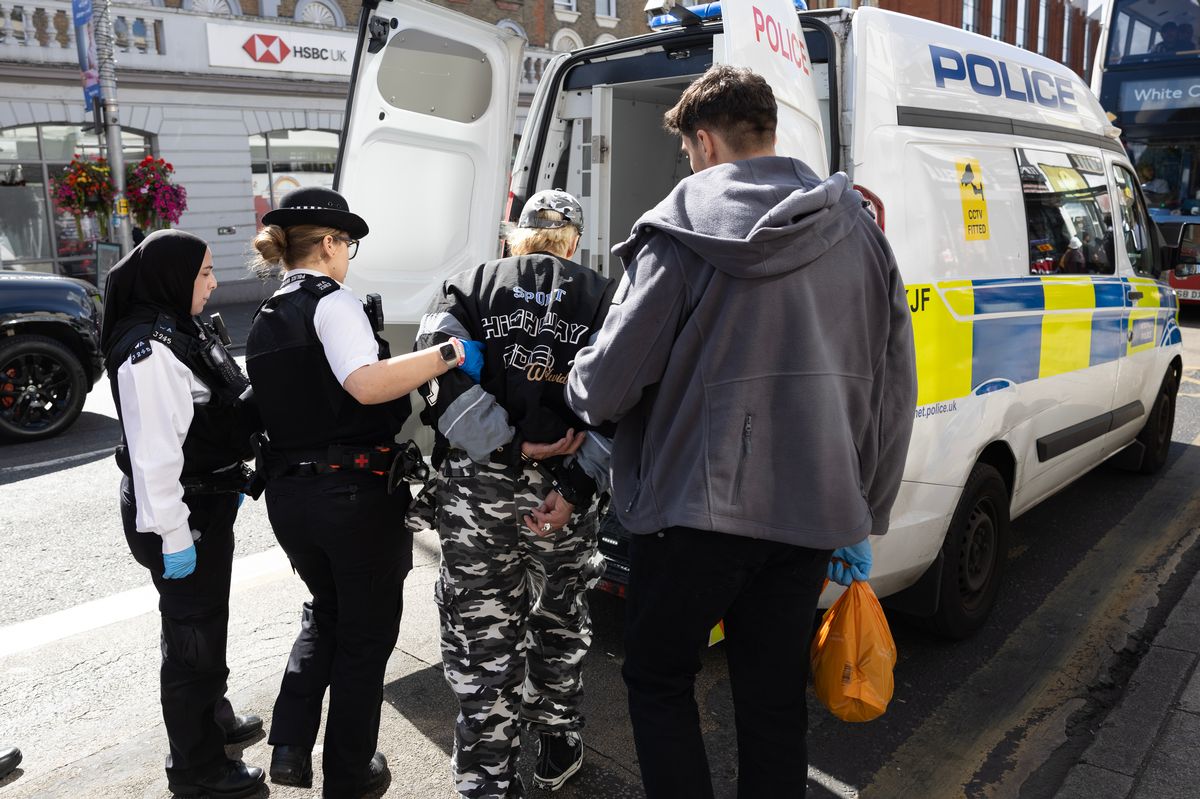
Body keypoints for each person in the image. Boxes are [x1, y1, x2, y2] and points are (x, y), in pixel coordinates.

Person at [565, 65, 917, 798]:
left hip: (694, 515)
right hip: (811, 515)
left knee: (659, 677)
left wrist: (575, 382)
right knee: (771, 695)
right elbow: (893, 391)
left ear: (703, 140)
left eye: (689, 151)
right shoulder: (859, 233)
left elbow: (606, 385)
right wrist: (866, 508)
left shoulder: (679, 231)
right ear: (768, 132)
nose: (689, 164)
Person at [244, 186, 472, 799]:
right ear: (328, 243)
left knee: (331, 612)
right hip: (350, 495)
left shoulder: (267, 315)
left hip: (291, 499)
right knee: (366, 639)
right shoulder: (332, 302)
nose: (350, 256)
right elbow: (367, 385)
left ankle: (293, 744)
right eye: (348, 244)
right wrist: (446, 354)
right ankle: (349, 775)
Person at [414, 189, 615, 798]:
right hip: (565, 496)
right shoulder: (607, 297)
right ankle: (556, 747)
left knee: (482, 628)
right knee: (560, 609)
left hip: (477, 493)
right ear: (574, 240)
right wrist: (578, 483)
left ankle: (485, 778)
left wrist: (505, 447)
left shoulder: (470, 287)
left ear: (516, 236)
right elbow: (628, 397)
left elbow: (434, 373)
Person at [101, 230, 266, 799]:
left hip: (203, 500)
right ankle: (196, 768)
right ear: (172, 278)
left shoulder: (179, 328)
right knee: (191, 639)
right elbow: (154, 460)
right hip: (179, 510)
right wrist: (175, 536)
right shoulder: (150, 352)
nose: (215, 283)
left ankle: (211, 716)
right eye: (204, 273)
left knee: (204, 623)